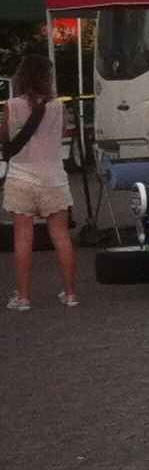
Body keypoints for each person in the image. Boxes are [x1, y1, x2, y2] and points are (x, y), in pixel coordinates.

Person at [4, 50, 77, 310]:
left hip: (21, 177)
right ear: (47, 77)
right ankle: (70, 294)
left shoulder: (11, 106)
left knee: (23, 238)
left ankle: (23, 297)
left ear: (21, 76)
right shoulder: (58, 106)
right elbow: (62, 133)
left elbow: (5, 138)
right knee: (61, 236)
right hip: (53, 177)